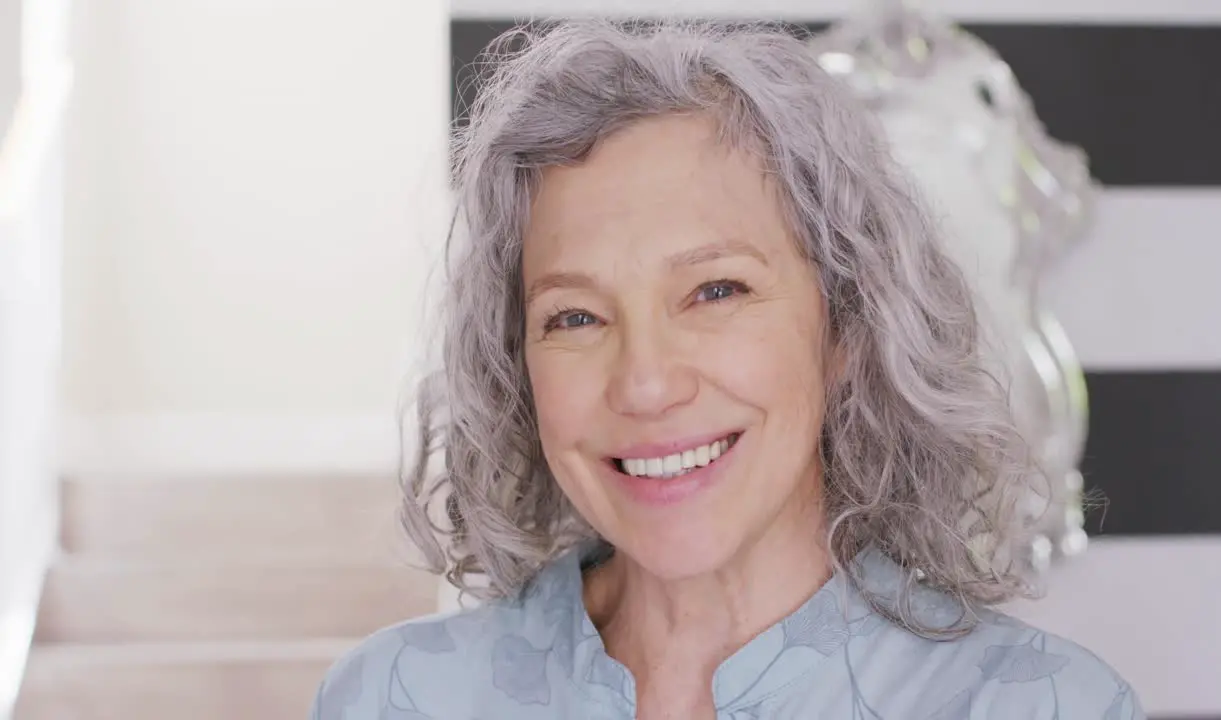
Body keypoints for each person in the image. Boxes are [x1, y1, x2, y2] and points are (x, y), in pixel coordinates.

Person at [311, 19, 1143, 720]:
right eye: (573, 316)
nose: (644, 381)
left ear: (846, 325)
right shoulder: (393, 700)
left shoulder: (1047, 707)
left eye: (715, 290)